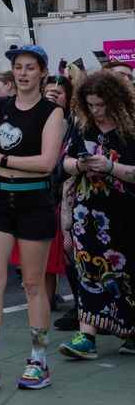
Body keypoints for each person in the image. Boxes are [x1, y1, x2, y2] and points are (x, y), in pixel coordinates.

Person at [0, 45, 64, 390]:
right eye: (18, 67)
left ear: (42, 72)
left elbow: (47, 163)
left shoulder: (52, 112)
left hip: (35, 201)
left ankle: (39, 360)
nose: (22, 73)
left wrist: (0, 158)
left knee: (33, 284)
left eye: (30, 67)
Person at [59, 70, 135, 359]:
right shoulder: (82, 128)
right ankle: (86, 336)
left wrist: (111, 167)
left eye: (101, 105)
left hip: (125, 213)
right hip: (87, 213)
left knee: (126, 275)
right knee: (87, 271)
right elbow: (62, 164)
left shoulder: (130, 130)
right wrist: (79, 166)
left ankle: (130, 330)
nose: (96, 111)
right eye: (90, 105)